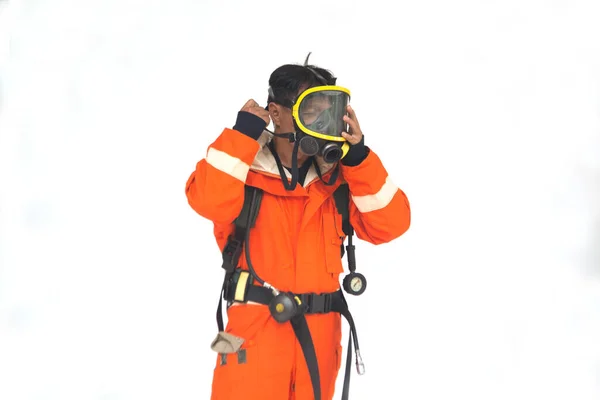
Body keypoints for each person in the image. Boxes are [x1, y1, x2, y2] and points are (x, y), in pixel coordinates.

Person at [185, 58, 411, 400]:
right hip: (250, 337)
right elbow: (208, 200)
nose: (321, 124)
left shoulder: (338, 182)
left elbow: (391, 225)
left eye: (328, 114)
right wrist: (241, 134)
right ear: (276, 114)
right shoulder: (242, 172)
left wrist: (359, 158)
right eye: (310, 113)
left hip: (320, 343)